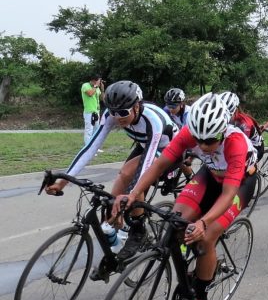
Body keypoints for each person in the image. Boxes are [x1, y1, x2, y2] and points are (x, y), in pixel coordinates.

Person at [113, 92, 257, 300]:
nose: (202, 146)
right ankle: (191, 266)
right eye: (198, 139)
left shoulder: (236, 143)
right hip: (209, 176)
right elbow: (159, 165)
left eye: (210, 140)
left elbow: (228, 194)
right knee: (175, 221)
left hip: (239, 185)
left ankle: (200, 297)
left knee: (206, 237)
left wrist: (202, 223)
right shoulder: (190, 133)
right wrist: (133, 193)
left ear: (223, 129)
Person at [46, 80, 178, 281]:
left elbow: (146, 166)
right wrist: (64, 180)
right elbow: (90, 148)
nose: (117, 118)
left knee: (130, 176)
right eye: (113, 112)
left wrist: (131, 195)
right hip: (145, 145)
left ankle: (138, 230)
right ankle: (114, 242)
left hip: (169, 151)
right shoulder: (113, 115)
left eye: (123, 113)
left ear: (137, 106)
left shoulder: (153, 120)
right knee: (114, 199)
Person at [221, 91, 264, 162]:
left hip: (256, 147)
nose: (224, 117)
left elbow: (241, 146)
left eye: (227, 113)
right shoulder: (232, 118)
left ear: (236, 111)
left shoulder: (244, 125)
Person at [81, 75, 104, 148]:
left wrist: (102, 89)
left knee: (96, 130)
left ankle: (95, 147)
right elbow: (90, 94)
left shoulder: (96, 88)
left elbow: (102, 98)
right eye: (98, 81)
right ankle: (87, 147)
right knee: (89, 130)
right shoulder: (85, 85)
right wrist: (96, 86)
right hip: (89, 111)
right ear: (94, 80)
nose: (99, 82)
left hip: (96, 111)